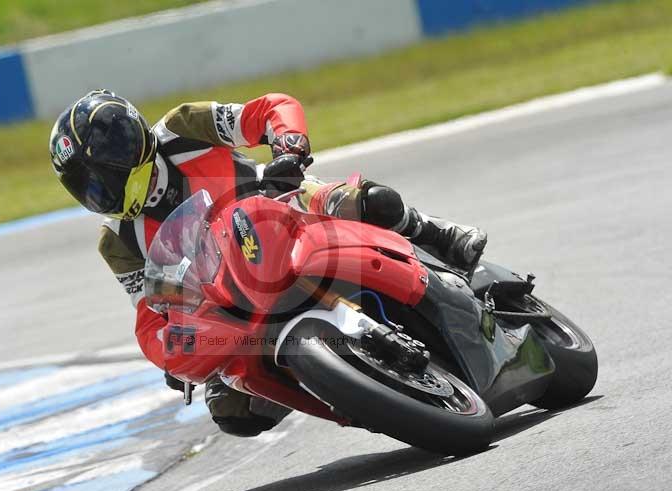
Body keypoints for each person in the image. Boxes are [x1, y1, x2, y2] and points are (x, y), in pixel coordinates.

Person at [49, 89, 487, 437]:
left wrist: (288, 148)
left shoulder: (183, 128)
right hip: (228, 299)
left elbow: (270, 110)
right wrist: (172, 357)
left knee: (362, 201)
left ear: (126, 148)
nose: (100, 190)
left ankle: (436, 234)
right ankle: (348, 391)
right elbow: (152, 314)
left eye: (102, 175)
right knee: (232, 410)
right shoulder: (116, 240)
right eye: (86, 185)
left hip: (283, 212)